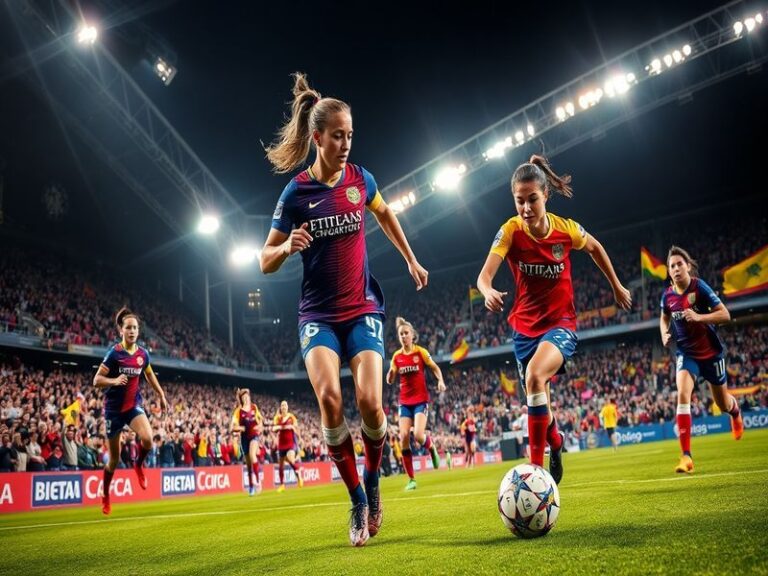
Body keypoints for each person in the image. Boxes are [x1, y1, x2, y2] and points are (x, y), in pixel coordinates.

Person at [260, 72, 428, 546]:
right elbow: (263, 260)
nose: (347, 143)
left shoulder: (361, 180)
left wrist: (411, 260)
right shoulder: (295, 194)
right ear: (317, 138)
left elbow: (387, 214)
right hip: (317, 316)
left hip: (362, 308)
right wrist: (287, 247)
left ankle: (373, 481)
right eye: (338, 135)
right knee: (331, 400)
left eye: (351, 135)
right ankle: (356, 498)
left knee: (372, 403)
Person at [477, 155, 631, 484]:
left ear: (545, 195)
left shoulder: (566, 230)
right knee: (539, 402)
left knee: (535, 376)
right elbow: (484, 276)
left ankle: (534, 474)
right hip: (524, 330)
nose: (526, 208)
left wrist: (616, 286)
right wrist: (487, 290)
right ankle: (556, 443)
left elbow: (596, 248)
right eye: (520, 201)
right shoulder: (510, 231)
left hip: (561, 324)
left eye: (532, 199)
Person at [660, 246, 743, 474]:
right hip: (687, 354)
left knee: (722, 404)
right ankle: (686, 457)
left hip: (711, 354)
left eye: (679, 264)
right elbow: (664, 316)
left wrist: (699, 317)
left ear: (688, 266)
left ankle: (735, 414)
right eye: (672, 266)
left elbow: (725, 314)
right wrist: (664, 333)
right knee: (683, 395)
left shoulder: (700, 287)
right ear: (669, 271)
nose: (676, 268)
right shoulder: (667, 295)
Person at [93, 307, 168, 515]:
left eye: (135, 327)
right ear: (121, 331)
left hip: (133, 406)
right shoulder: (114, 353)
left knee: (148, 439)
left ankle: (138, 464)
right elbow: (96, 380)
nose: (132, 330)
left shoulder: (143, 354)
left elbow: (150, 375)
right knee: (114, 460)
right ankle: (106, 494)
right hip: (113, 411)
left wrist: (161, 395)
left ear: (138, 331)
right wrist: (114, 380)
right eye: (128, 327)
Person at [386, 316, 446, 490]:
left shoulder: (421, 352)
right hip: (404, 402)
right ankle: (412, 479)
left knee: (419, 436)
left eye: (406, 333)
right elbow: (390, 379)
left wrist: (440, 381)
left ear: (412, 335)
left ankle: (431, 447)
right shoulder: (396, 357)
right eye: (401, 334)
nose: (403, 336)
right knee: (404, 436)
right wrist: (390, 374)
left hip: (420, 400)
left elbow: (434, 367)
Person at [231, 388, 264, 495]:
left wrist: (259, 427)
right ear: (241, 399)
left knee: (252, 454)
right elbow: (233, 427)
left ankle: (258, 480)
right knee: (249, 465)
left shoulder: (254, 407)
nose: (246, 398)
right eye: (243, 397)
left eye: (247, 396)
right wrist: (241, 428)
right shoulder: (238, 412)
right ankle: (251, 487)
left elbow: (260, 422)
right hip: (244, 439)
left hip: (254, 436)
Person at [273, 400, 304, 492]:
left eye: (285, 405)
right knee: (281, 465)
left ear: (287, 407)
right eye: (282, 405)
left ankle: (298, 471)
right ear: (280, 408)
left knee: (290, 459)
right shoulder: (277, 418)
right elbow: (274, 428)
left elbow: (295, 427)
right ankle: (282, 485)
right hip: (281, 443)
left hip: (290, 443)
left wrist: (300, 438)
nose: (284, 407)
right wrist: (283, 427)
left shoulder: (291, 417)